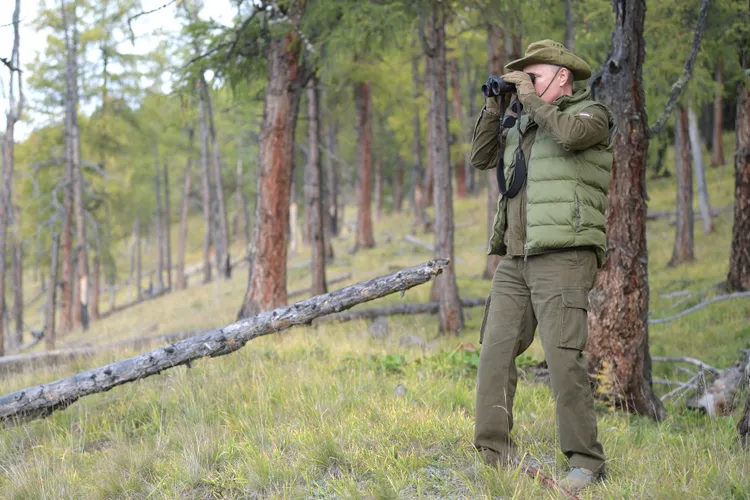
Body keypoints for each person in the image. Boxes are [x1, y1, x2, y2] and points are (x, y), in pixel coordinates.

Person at [469, 39, 617, 493]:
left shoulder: (591, 115)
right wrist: (497, 108)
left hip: (565, 255)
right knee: (494, 353)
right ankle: (494, 454)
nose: (524, 85)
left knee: (562, 358)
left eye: (532, 76)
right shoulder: (523, 123)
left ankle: (586, 462)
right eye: (522, 78)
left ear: (562, 77)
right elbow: (480, 158)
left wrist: (530, 101)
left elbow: (569, 136)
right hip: (516, 256)